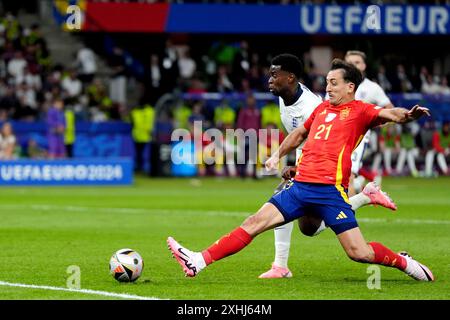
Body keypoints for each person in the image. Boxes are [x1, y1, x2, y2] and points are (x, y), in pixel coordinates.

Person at [167, 58, 434, 282]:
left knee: (359, 253)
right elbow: (298, 134)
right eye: (327, 82)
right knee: (254, 223)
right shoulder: (320, 110)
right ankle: (198, 260)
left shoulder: (361, 111)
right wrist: (276, 156)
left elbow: (393, 115)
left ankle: (404, 263)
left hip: (330, 191)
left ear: (350, 86)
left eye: (333, 83)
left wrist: (409, 115)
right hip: (301, 185)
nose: (327, 88)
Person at [259, 54, 396, 279]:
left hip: (333, 156)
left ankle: (280, 266)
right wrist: (282, 157)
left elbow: (319, 140)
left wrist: (297, 166)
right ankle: (365, 197)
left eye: (275, 75)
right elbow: (299, 134)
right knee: (309, 227)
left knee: (282, 197)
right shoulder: (286, 95)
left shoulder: (319, 103)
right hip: (314, 155)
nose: (270, 79)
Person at [344, 50, 395, 194]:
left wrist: (374, 123)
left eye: (357, 62)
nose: (353, 65)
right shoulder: (338, 85)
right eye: (349, 63)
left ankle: (347, 215)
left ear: (364, 65)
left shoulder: (372, 88)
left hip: (357, 138)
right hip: (336, 134)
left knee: (349, 175)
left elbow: (390, 110)